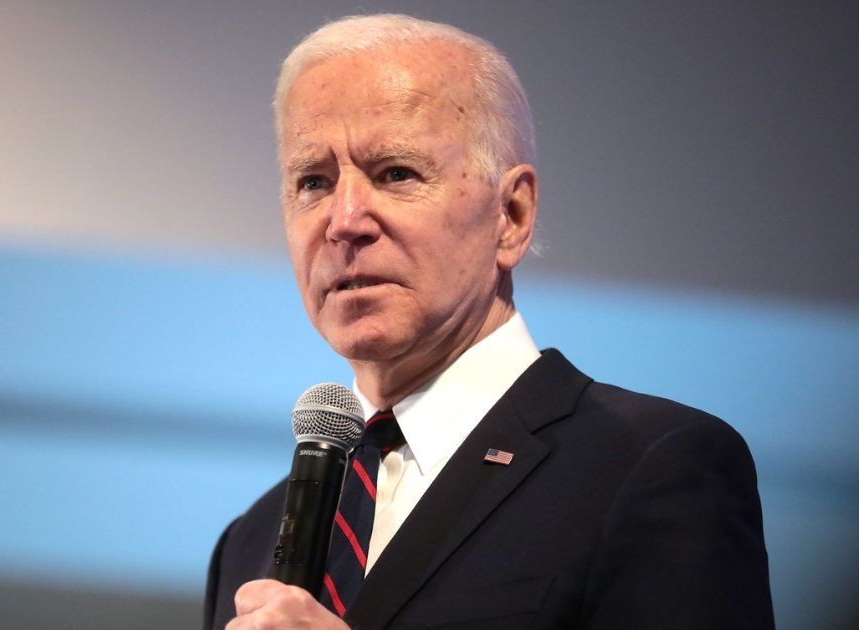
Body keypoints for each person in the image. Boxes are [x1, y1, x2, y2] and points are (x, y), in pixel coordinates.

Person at [204, 13, 773, 630]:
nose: (344, 221)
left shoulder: (651, 465)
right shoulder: (250, 542)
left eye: (396, 173)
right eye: (312, 181)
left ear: (513, 214)